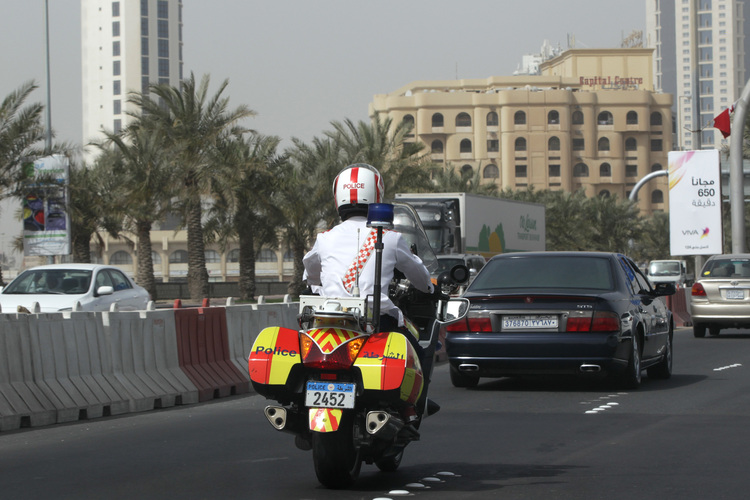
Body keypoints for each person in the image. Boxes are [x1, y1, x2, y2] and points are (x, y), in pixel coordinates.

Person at [302, 163, 436, 421]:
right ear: (377, 195)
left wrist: (320, 287)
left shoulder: (325, 238)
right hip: (377, 321)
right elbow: (418, 274)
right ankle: (410, 409)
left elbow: (310, 273)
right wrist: (429, 288)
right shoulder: (389, 237)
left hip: (330, 321)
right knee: (415, 348)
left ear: (338, 197)